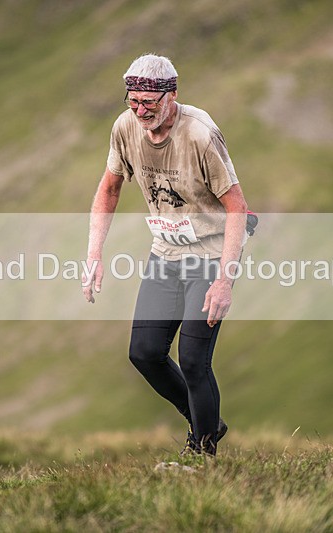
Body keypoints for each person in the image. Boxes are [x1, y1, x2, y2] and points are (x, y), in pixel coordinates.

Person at [82, 53, 250, 457]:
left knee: (193, 361)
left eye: (150, 103)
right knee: (144, 353)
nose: (141, 111)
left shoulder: (200, 135)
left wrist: (225, 280)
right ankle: (204, 421)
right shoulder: (125, 127)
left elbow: (237, 208)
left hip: (210, 256)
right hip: (166, 252)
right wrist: (94, 255)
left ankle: (202, 455)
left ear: (171, 96)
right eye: (133, 102)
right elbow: (109, 188)